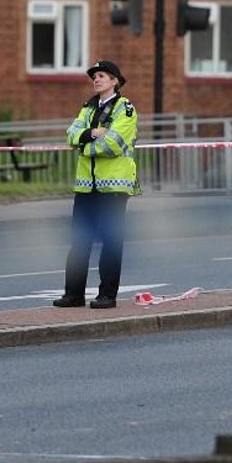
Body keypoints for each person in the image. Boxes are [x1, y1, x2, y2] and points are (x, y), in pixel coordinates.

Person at [53, 60, 138, 309]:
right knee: (79, 240)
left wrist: (85, 144)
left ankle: (107, 295)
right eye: (94, 76)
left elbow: (113, 144)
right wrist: (91, 134)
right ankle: (74, 294)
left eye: (102, 75)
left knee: (111, 242)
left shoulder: (126, 109)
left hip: (113, 187)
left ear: (115, 81)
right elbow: (71, 136)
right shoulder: (88, 109)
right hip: (86, 186)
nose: (96, 79)